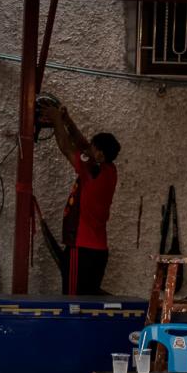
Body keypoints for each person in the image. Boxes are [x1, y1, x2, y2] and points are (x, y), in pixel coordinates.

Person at [43, 100, 121, 295]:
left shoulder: (92, 170)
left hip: (81, 248)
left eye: (94, 149)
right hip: (98, 251)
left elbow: (66, 147)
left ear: (101, 155)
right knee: (90, 300)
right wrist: (68, 121)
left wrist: (56, 120)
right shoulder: (109, 170)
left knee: (73, 301)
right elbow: (83, 145)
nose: (89, 151)